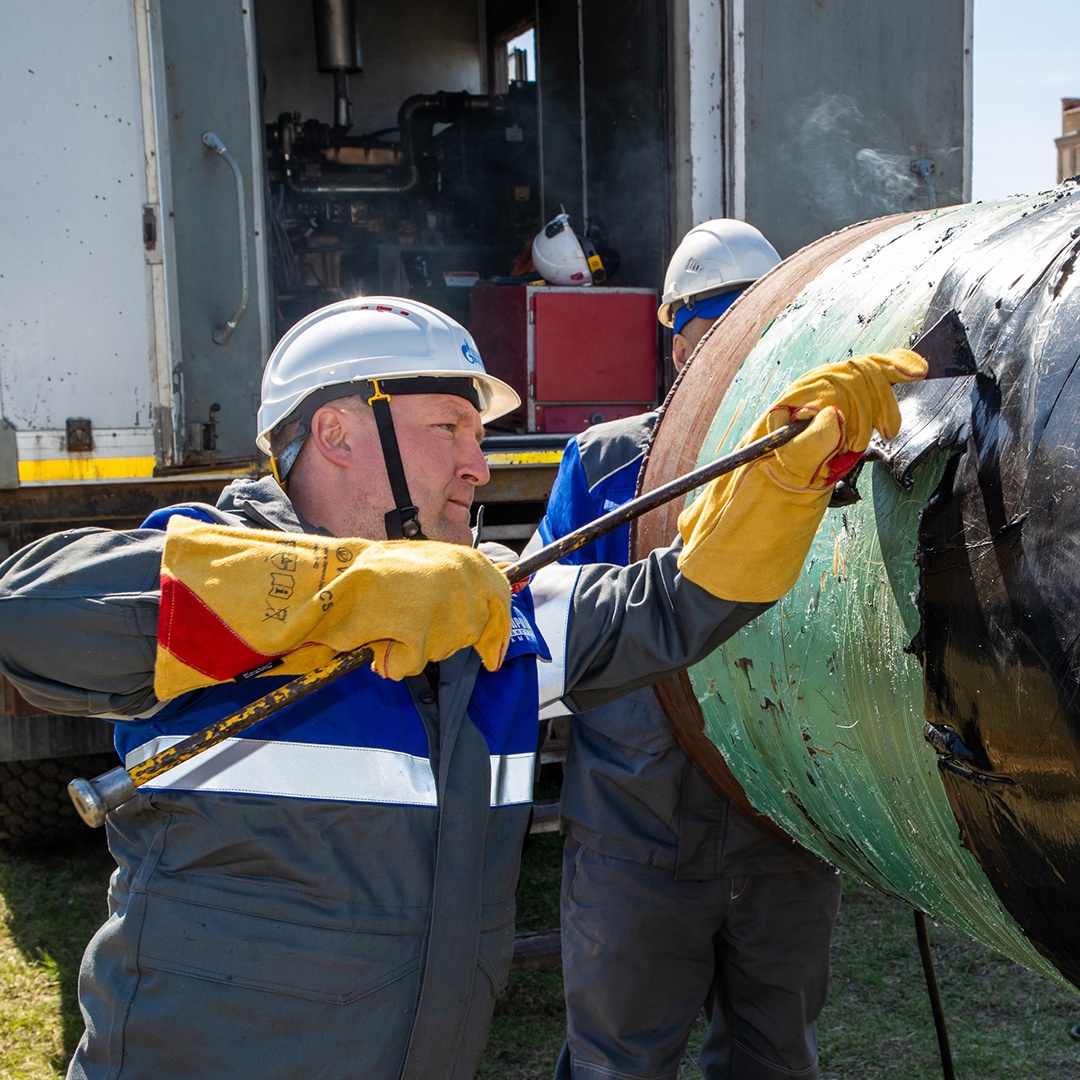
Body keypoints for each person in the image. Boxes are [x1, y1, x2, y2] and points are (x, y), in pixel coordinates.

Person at [0, 295, 925, 1080]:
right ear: (336, 432)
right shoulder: (203, 568)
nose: (480, 466)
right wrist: (340, 595)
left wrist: (790, 477)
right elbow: (26, 617)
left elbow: (676, 602)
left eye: (478, 436)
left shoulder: (484, 613)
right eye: (450, 429)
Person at [534, 220, 845, 1080]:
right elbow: (551, 638)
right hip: (638, 833)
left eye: (759, 334)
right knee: (619, 1062)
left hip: (782, 827)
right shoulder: (605, 466)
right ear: (678, 345)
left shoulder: (822, 471)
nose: (737, 359)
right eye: (715, 335)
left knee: (774, 1059)